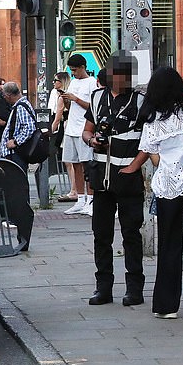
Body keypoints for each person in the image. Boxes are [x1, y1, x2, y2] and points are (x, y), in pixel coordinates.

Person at [135, 67, 183, 319]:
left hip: (168, 185)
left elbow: (150, 153)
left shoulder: (154, 118)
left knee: (170, 244)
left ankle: (167, 305)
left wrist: (167, 162)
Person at [81, 51, 146, 306]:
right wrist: (92, 140)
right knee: (101, 235)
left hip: (128, 178)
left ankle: (135, 289)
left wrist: (134, 166)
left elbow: (149, 139)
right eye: (118, 74)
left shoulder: (140, 101)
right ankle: (103, 288)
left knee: (131, 233)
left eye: (126, 75)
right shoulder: (97, 98)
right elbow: (87, 131)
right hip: (102, 179)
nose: (122, 79)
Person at [61, 54, 98, 216]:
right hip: (71, 128)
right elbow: (71, 106)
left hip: (84, 128)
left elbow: (94, 107)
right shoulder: (73, 82)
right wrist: (67, 99)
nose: (73, 73)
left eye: (75, 70)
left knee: (87, 165)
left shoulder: (92, 83)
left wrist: (75, 99)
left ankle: (91, 198)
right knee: (74, 163)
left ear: (83, 67)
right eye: (71, 70)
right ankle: (80, 198)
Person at [49, 71, 76, 202]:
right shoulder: (67, 96)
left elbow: (57, 119)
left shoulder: (63, 97)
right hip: (71, 127)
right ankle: (76, 189)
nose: (53, 83)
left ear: (62, 82)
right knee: (72, 162)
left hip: (66, 129)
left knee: (69, 162)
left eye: (56, 80)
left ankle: (74, 190)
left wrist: (49, 132)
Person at [0, 81, 36, 172]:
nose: (3, 97)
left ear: (8, 95)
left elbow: (30, 127)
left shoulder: (21, 107)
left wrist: (16, 142)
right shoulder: (21, 105)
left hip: (15, 154)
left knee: (16, 181)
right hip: (14, 153)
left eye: (4, 95)